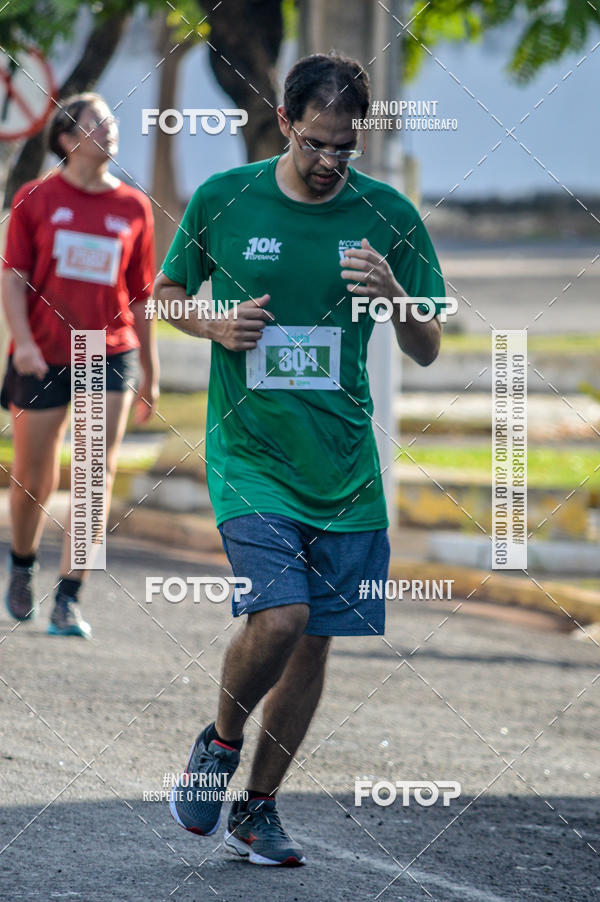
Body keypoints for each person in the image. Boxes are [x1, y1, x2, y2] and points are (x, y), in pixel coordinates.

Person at [154, 52, 445, 866]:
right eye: (316, 143)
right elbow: (166, 296)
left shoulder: (387, 215)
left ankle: (260, 809)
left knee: (312, 639)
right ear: (284, 123)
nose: (329, 163)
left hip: (345, 469)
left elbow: (426, 347)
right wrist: (212, 326)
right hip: (250, 456)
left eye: (344, 148)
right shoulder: (226, 199)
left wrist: (395, 295)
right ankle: (218, 746)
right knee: (278, 617)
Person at [2, 92, 158, 638]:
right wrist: (21, 343)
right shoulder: (36, 197)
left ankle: (70, 595)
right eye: (97, 124)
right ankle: (22, 564)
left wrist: (151, 371)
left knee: (95, 473)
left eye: (112, 123)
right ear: (68, 139)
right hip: (41, 352)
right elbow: (14, 277)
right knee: (32, 479)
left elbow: (140, 296)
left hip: (107, 349)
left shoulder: (134, 207)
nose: (110, 131)